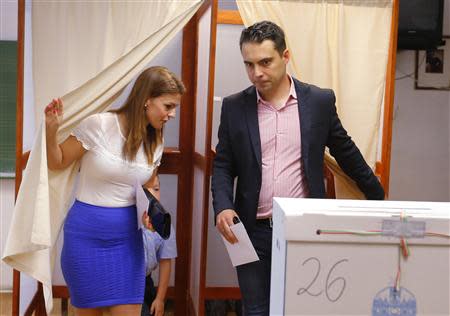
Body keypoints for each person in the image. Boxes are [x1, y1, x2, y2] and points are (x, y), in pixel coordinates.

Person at [211, 21, 384, 316]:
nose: (257, 73)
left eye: (265, 62)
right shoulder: (234, 107)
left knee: (300, 308)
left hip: (304, 228)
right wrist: (223, 207)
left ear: (286, 56)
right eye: (249, 65)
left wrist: (378, 197)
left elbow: (345, 152)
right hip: (251, 232)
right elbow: (224, 165)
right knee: (256, 310)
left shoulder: (318, 101)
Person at [45, 66, 185, 316]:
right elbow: (58, 161)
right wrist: (50, 131)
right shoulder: (98, 125)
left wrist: (149, 212)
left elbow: (148, 186)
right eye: (168, 106)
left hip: (126, 242)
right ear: (146, 100)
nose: (172, 114)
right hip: (84, 238)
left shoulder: (157, 141)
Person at [140, 174, 177, 316]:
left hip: (146, 281)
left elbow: (166, 261)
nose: (152, 194)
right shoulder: (128, 218)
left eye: (156, 189)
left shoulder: (163, 222)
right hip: (125, 282)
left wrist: (160, 299)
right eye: (145, 190)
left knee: (153, 308)